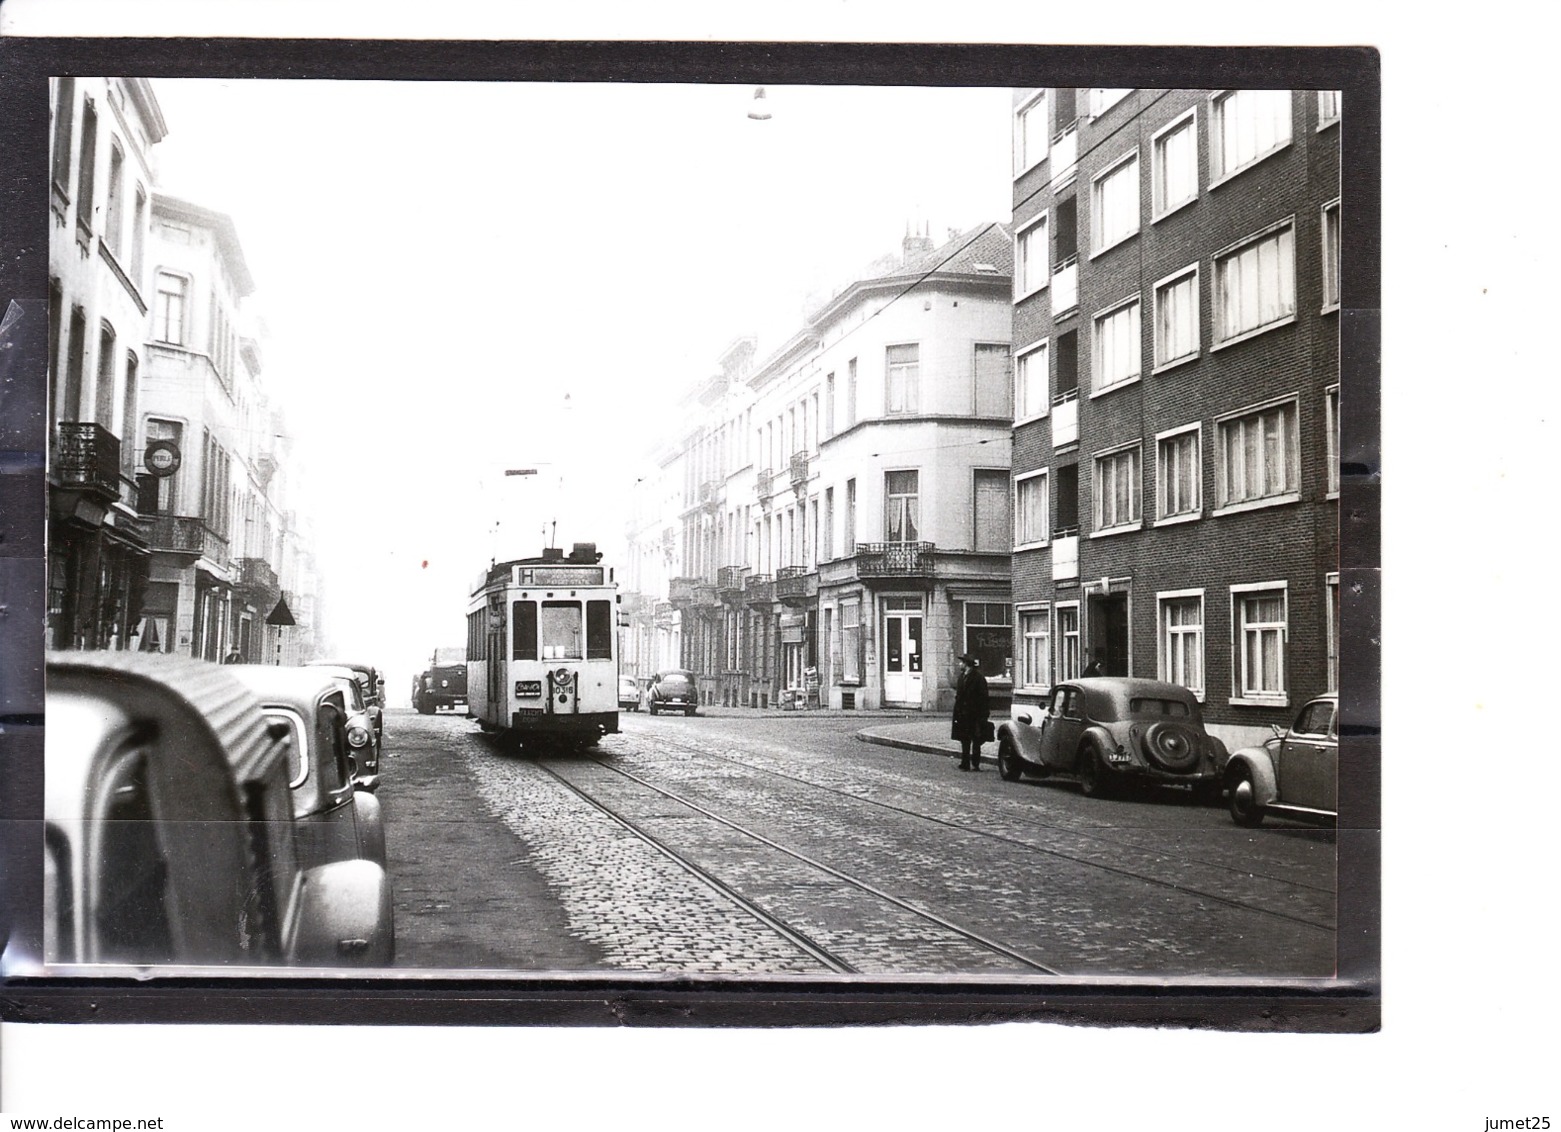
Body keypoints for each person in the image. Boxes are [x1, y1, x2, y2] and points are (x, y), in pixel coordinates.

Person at [950, 653, 991, 772]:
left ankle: (976, 763)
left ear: (967, 664)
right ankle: (965, 762)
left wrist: (984, 714)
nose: (959, 664)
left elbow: (984, 697)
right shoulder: (962, 677)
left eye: (961, 662)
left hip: (975, 714)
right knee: (964, 739)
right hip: (963, 714)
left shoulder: (978, 678)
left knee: (976, 739)